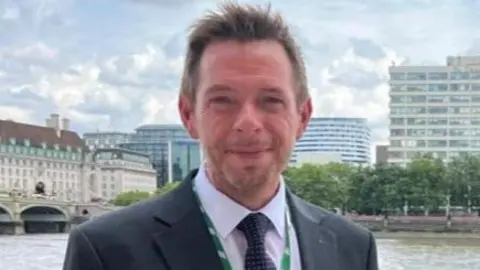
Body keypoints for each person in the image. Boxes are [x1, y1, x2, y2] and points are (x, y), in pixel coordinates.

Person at [62, 2, 379, 270]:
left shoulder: (353, 249)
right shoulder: (106, 251)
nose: (247, 123)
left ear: (303, 117)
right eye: (223, 100)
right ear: (189, 116)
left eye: (270, 100)